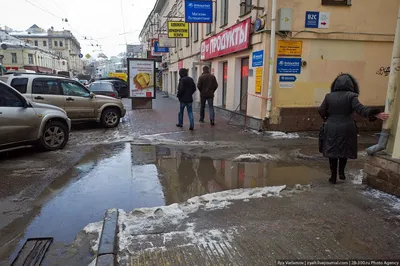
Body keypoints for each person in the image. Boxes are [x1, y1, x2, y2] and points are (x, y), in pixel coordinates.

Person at [318, 73, 389, 184]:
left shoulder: (328, 96)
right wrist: (375, 114)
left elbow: (321, 110)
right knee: (343, 149)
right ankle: (341, 172)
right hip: (347, 126)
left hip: (331, 126)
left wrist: (328, 118)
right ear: (351, 85)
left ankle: (333, 176)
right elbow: (361, 109)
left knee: (332, 150)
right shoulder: (351, 96)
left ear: (335, 84)